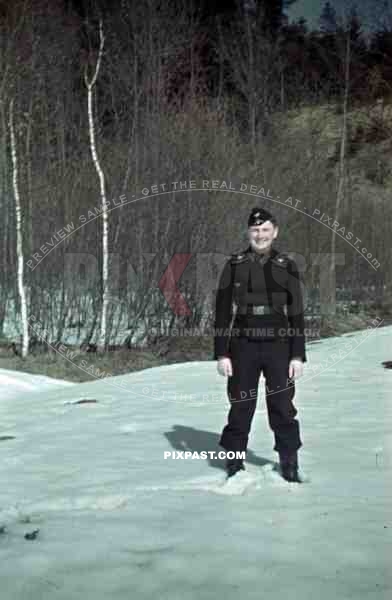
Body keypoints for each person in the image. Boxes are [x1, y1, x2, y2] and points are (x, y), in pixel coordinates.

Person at [214, 207, 307, 483]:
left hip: (279, 345)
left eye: (265, 230)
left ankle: (289, 461)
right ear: (248, 232)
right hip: (243, 345)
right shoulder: (235, 264)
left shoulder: (286, 265)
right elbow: (222, 311)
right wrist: (222, 353)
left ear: (275, 232)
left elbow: (297, 313)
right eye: (255, 230)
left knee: (282, 405)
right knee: (241, 405)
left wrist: (298, 355)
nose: (260, 235)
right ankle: (234, 461)